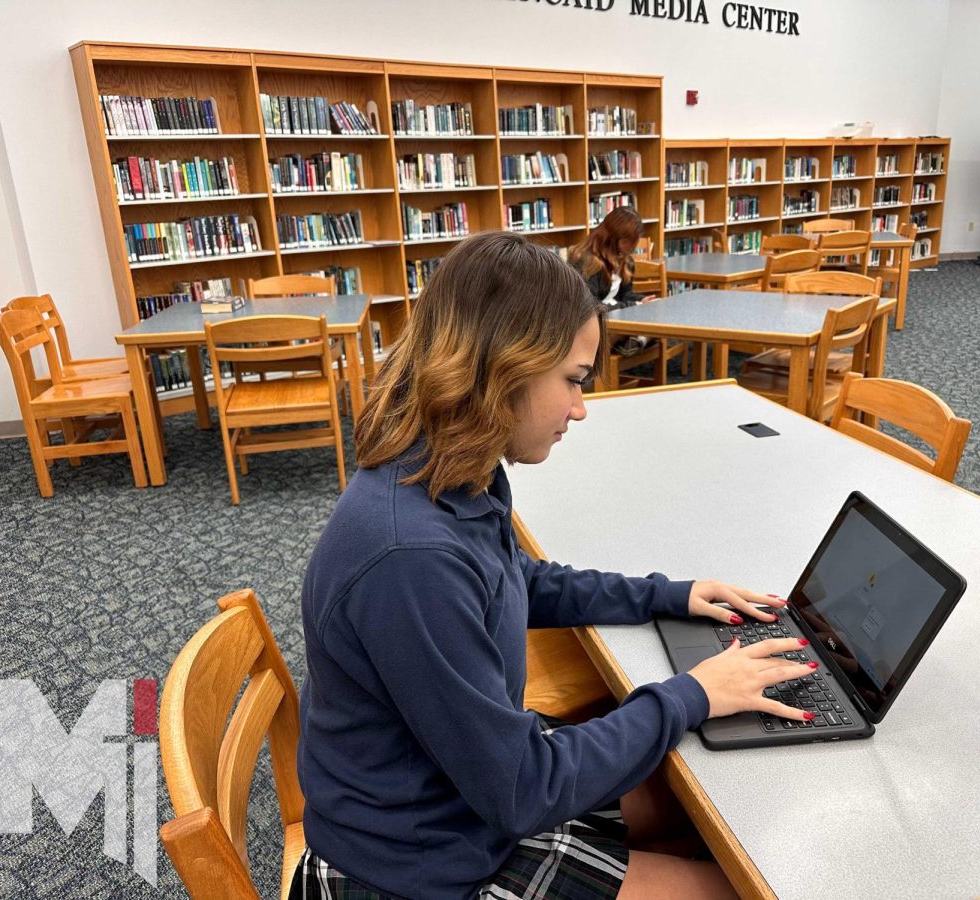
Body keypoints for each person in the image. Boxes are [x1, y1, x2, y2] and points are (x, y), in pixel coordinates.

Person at [294, 231, 816, 900]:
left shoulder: (450, 470)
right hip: (420, 866)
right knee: (731, 883)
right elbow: (523, 789)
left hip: (460, 799)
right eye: (571, 380)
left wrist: (669, 596)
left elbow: (519, 580)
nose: (580, 407)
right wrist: (693, 692)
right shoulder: (410, 556)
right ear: (505, 368)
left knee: (697, 807)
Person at [568, 206, 654, 354]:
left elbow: (624, 295)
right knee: (647, 327)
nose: (633, 247)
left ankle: (635, 341)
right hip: (591, 323)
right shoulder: (587, 262)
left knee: (655, 317)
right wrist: (633, 305)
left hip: (614, 317)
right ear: (614, 238)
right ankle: (636, 340)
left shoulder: (625, 260)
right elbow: (589, 307)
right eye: (630, 241)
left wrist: (643, 301)